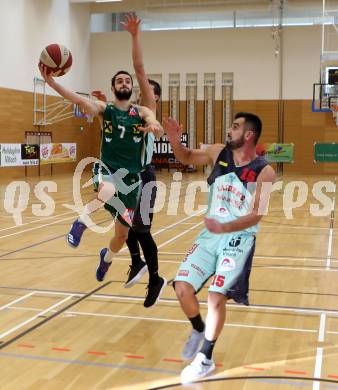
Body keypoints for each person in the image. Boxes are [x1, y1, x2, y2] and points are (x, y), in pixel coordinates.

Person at [163, 113, 276, 383]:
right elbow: (187, 157)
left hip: (239, 238)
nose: (229, 129)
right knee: (182, 288)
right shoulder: (217, 152)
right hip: (210, 235)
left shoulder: (265, 171)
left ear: (248, 135)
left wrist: (225, 228)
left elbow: (257, 215)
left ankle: (205, 358)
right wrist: (175, 140)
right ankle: (199, 328)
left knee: (216, 297)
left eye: (235, 127)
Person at [39, 64, 163, 285]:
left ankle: (106, 258)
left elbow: (155, 123)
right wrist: (52, 83)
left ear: (131, 88)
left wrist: (155, 128)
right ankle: (80, 222)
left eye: (127, 81)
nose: (124, 83)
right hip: (107, 168)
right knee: (107, 189)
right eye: (120, 81)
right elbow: (78, 100)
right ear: (113, 87)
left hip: (132, 179)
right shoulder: (105, 110)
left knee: (121, 236)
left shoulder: (141, 112)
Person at [121, 14, 167, 308]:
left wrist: (135, 36)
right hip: (127, 174)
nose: (141, 93)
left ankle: (155, 278)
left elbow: (138, 68)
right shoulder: (130, 113)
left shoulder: (148, 108)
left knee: (141, 230)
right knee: (123, 224)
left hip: (145, 176)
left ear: (155, 98)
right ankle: (136, 262)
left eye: (147, 91)